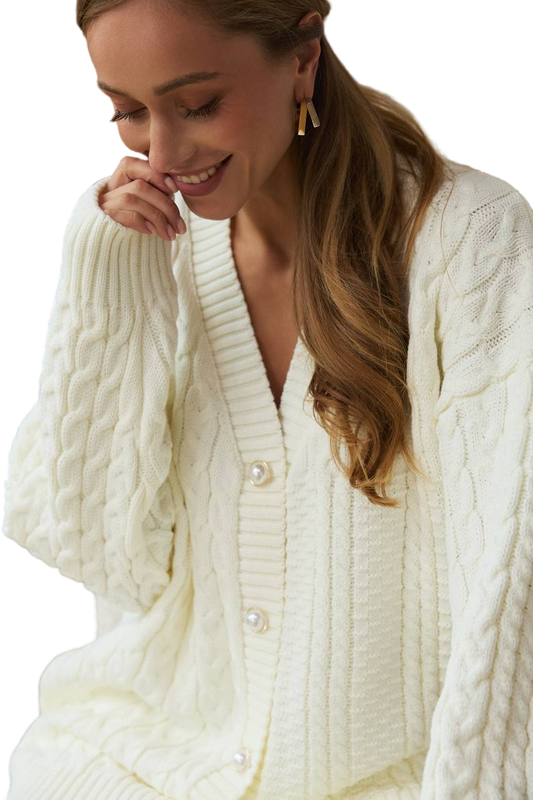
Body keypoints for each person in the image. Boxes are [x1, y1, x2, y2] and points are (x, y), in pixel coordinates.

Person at [1, 0, 531, 798]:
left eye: (197, 103)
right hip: (143, 752)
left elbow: (511, 588)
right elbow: (93, 555)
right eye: (125, 111)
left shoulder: (469, 239)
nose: (163, 154)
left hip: (388, 779)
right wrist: (109, 278)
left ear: (303, 59)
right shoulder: (140, 241)